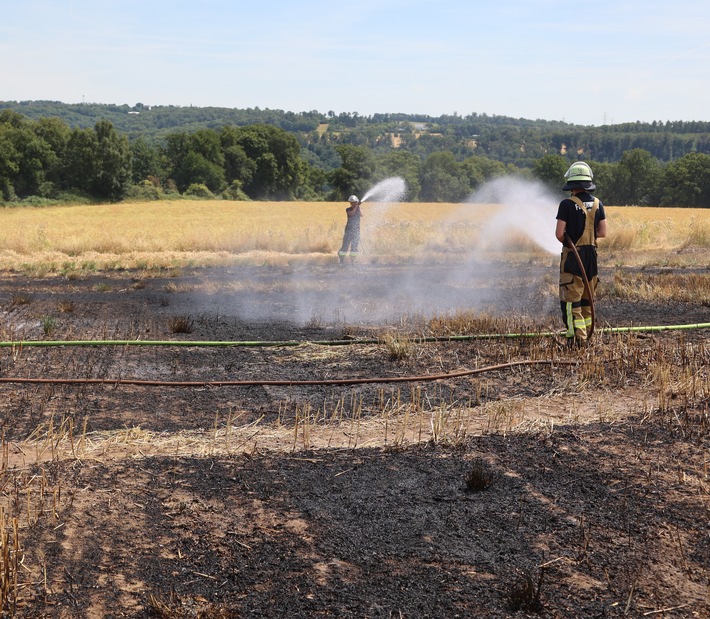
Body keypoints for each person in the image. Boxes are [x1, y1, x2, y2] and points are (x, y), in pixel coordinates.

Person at [555, 162, 607, 346]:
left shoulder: (566, 204)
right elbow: (602, 232)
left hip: (573, 258)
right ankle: (586, 335)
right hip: (591, 257)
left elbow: (560, 234)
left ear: (571, 184)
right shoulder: (598, 203)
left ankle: (575, 339)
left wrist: (571, 240)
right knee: (587, 299)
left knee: (571, 301)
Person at [338, 195, 362, 264]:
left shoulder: (358, 209)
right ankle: (341, 260)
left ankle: (353, 261)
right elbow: (351, 214)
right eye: (351, 203)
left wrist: (358, 207)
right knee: (345, 246)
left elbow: (362, 215)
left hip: (356, 231)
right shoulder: (348, 209)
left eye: (354, 202)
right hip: (348, 231)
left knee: (354, 247)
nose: (353, 204)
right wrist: (357, 206)